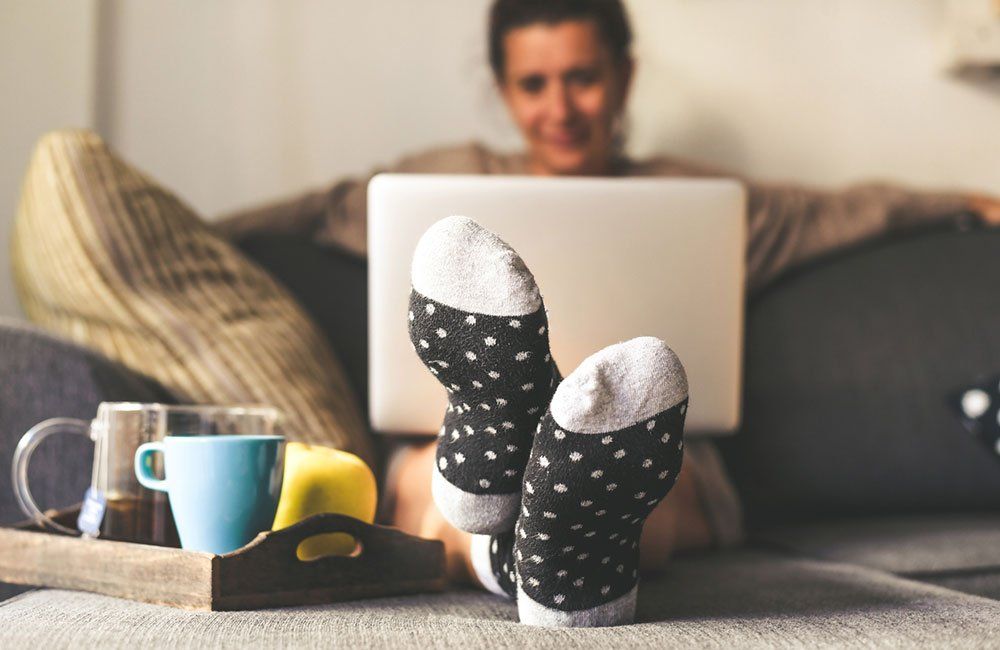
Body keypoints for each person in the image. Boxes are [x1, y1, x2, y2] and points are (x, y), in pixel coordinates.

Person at [218, 0, 1000, 591]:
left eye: (583, 78)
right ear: (503, 89)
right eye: (534, 85)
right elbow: (317, 210)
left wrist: (961, 203)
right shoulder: (440, 180)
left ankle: (539, 524)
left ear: (624, 77)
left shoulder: (700, 200)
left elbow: (842, 210)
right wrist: (202, 231)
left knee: (648, 483)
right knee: (432, 478)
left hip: (662, 456)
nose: (559, 110)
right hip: (442, 444)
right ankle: (537, 533)